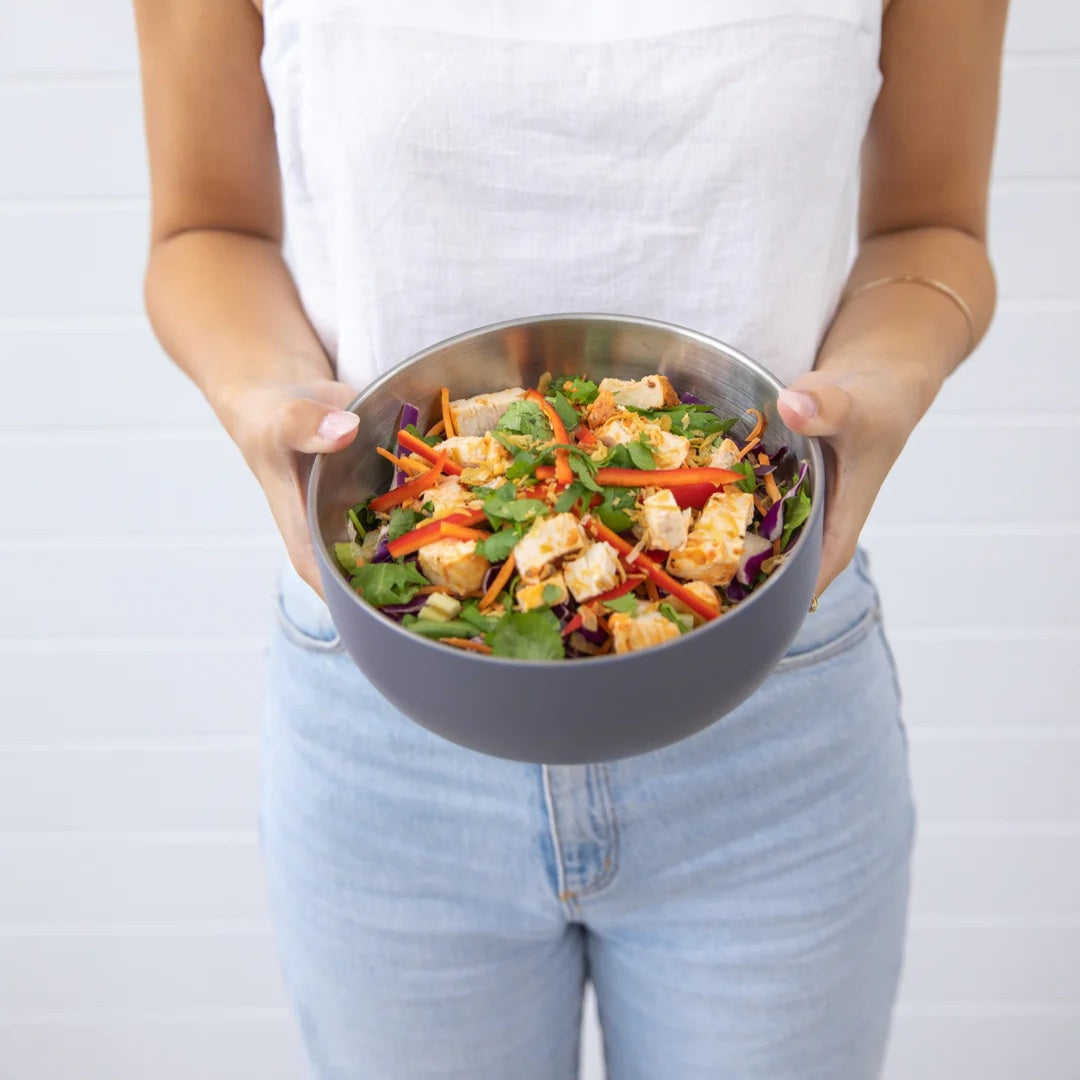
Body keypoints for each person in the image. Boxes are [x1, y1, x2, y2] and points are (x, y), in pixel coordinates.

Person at [133, 1, 1007, 1076]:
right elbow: (205, 232)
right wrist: (267, 397)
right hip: (383, 736)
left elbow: (933, 226)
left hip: (773, 714)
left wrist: (881, 383)